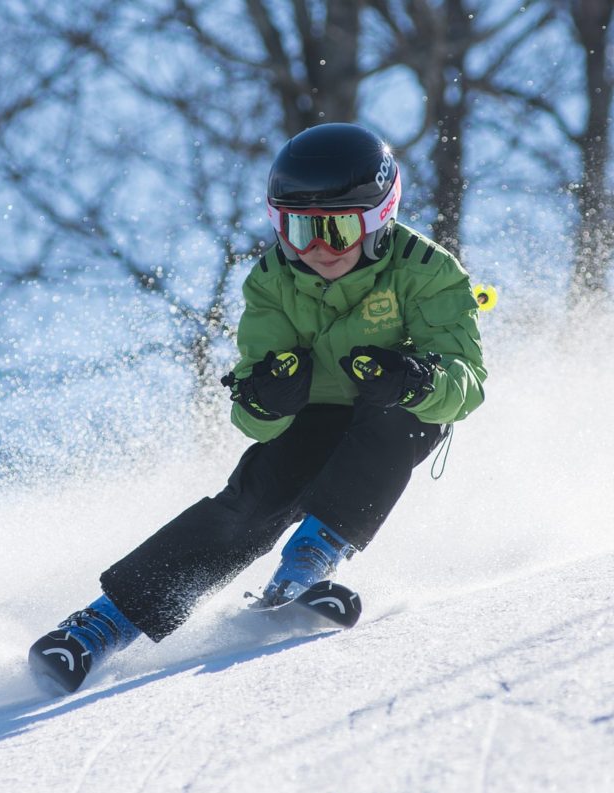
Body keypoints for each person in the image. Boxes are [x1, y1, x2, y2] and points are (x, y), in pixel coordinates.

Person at [28, 122, 487, 693]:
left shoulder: (428, 270)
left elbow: (467, 384)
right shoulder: (272, 279)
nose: (316, 249)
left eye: (338, 230)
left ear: (378, 220)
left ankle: (303, 570)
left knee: (406, 422)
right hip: (313, 416)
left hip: (391, 410)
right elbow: (250, 415)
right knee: (254, 499)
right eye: (298, 230)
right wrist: (267, 397)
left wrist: (415, 379)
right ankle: (99, 627)